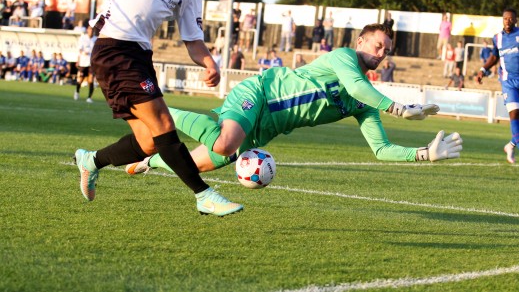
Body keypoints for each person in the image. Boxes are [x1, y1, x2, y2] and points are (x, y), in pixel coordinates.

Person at [125, 24, 463, 189]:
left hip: (266, 128)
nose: (381, 54)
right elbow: (358, 84)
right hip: (259, 94)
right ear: (361, 42)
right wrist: (401, 109)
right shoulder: (343, 57)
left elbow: (381, 149)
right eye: (378, 46)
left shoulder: (364, 103)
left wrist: (423, 154)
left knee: (200, 165)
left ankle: (151, 161)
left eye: (387, 51)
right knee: (224, 143)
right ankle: (152, 108)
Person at [75, 0, 242, 217]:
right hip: (114, 48)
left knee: (150, 142)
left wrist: (208, 62)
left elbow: (192, 39)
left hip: (140, 55)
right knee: (164, 123)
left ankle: (91, 161)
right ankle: (204, 195)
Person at [476, 8, 519, 166]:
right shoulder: (497, 38)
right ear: (502, 20)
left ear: (516, 20)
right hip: (508, 81)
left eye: (510, 19)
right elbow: (494, 56)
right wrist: (483, 70)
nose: (507, 21)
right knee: (514, 114)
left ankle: (510, 146)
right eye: (505, 18)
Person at [75, 25, 97, 103]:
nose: (91, 31)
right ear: (87, 30)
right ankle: (77, 92)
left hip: (91, 63)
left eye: (92, 29)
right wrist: (83, 53)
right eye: (90, 29)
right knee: (80, 79)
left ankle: (89, 98)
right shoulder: (83, 38)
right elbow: (79, 49)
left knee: (91, 80)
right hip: (83, 62)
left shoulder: (96, 39)